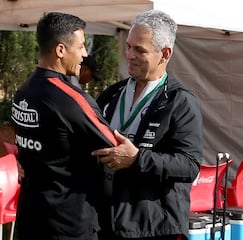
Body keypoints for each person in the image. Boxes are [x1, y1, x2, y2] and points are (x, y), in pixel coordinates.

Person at [91, 9, 203, 240]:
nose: (129, 55)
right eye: (129, 47)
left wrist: (137, 159)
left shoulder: (180, 100)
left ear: (164, 54)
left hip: (154, 227)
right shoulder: (112, 94)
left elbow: (189, 166)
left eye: (139, 50)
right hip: (106, 221)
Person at [11, 12, 118, 240]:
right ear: (60, 50)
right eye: (80, 47)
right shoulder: (70, 99)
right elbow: (115, 147)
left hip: (29, 217)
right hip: (68, 222)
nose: (85, 54)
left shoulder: (23, 92)